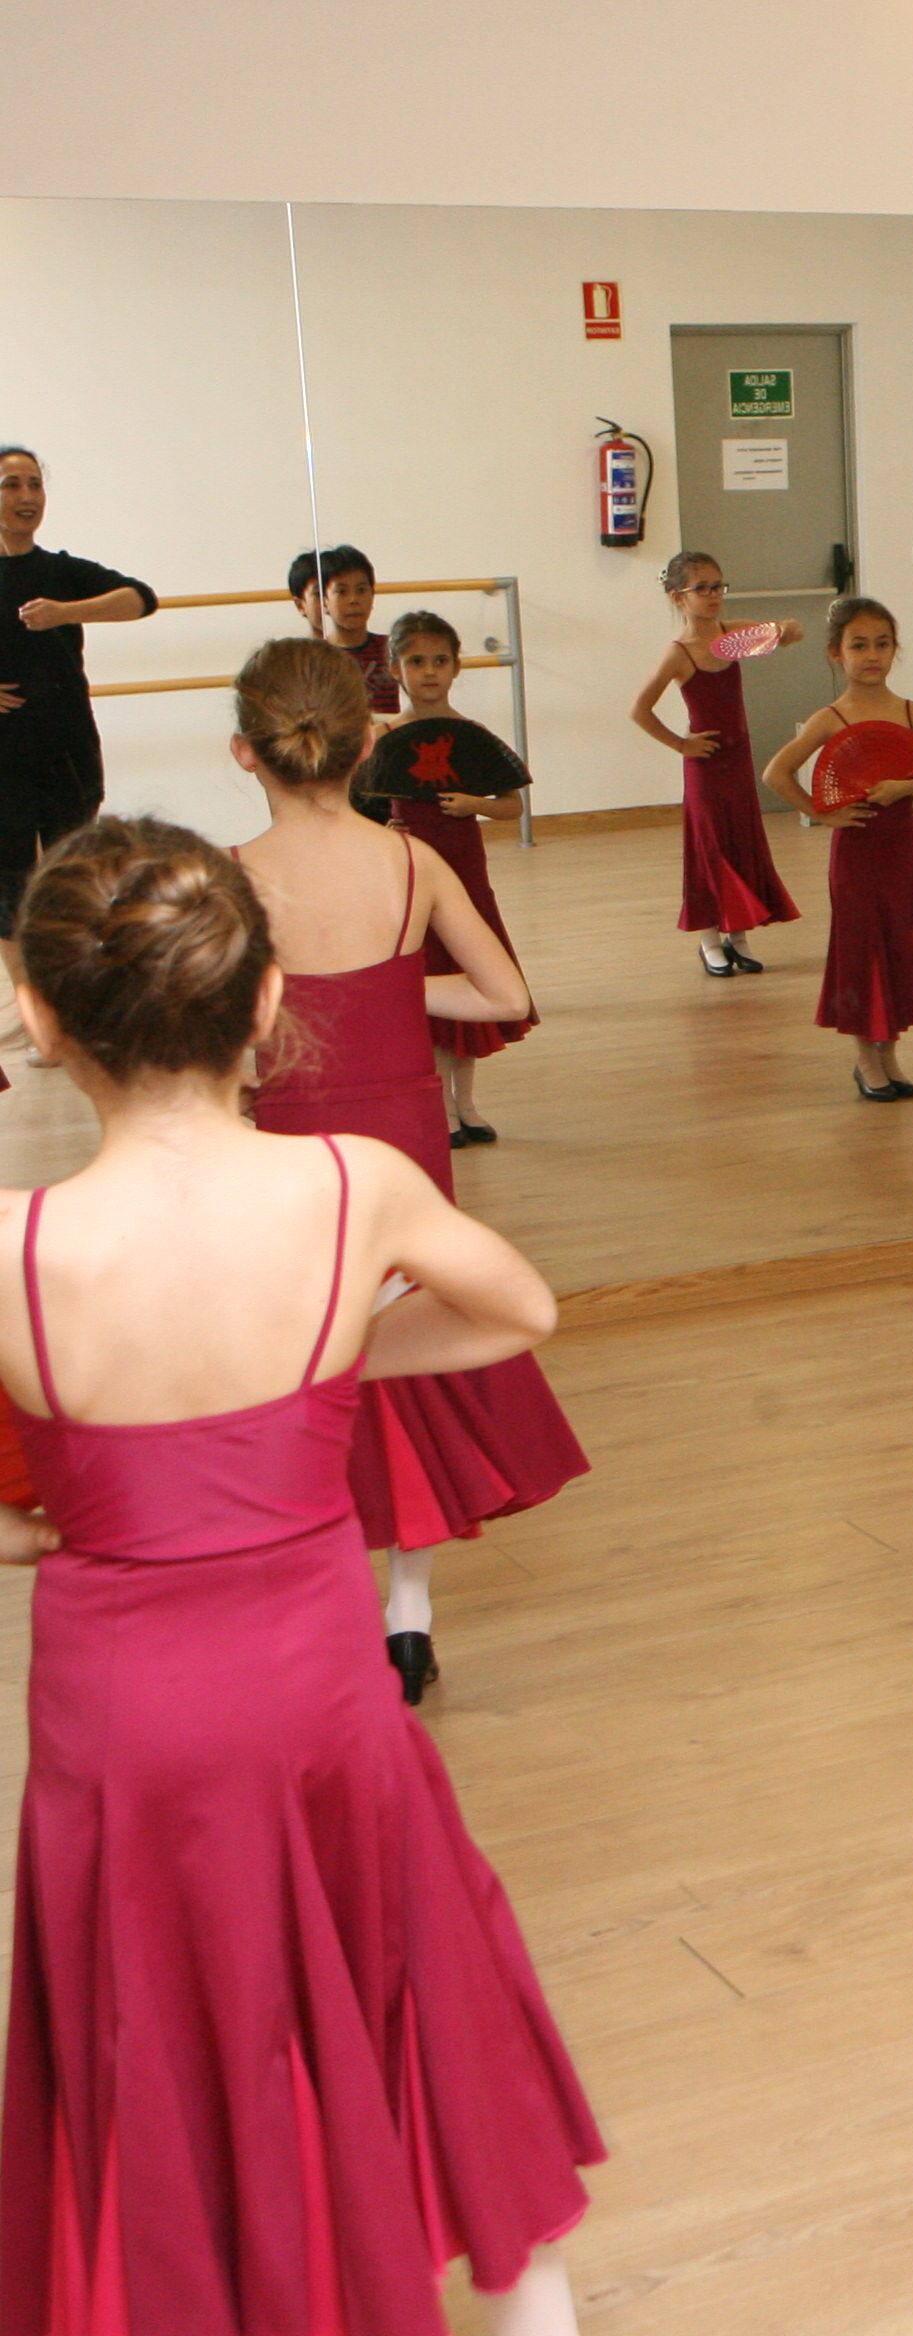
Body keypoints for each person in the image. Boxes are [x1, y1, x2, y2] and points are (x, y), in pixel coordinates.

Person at [0, 813, 603, 2336]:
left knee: (161, 2029)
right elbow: (518, 1308)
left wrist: (69, 1508)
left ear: (44, 1020)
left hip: (121, 1721)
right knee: (418, 1984)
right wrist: (324, 1377)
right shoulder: (348, 1188)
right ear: (268, 1004)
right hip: (315, 1690)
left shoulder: (12, 1244)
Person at [231, 638, 586, 1706]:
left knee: (307, 1357)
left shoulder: (230, 875)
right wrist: (391, 996)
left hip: (290, 1144)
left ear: (244, 752)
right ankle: (409, 1614)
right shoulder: (412, 862)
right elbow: (502, 995)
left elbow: (222, 1035)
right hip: (403, 1138)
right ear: (370, 741)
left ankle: (325, 1598)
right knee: (411, 1347)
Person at [763, 597, 913, 1101]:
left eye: (882, 644)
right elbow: (775, 773)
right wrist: (821, 812)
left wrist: (902, 788)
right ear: (835, 653)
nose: (872, 655)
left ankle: (889, 1048)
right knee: (860, 945)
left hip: (899, 850)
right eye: (859, 645)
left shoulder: (912, 712)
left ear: (895, 650)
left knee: (897, 940)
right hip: (854, 852)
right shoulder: (829, 717)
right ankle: (864, 1056)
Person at [0, 445, 155, 1028]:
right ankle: (36, 1017)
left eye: (34, 484)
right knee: (9, 887)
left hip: (66, 746)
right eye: (12, 484)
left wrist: (68, 612)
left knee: (78, 876)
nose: (26, 497)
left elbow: (141, 598)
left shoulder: (60, 570)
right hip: (3, 756)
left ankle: (80, 1005)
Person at [386, 609, 535, 1146]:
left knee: (474, 978)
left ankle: (467, 1103)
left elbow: (511, 806)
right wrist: (385, 824)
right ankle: (440, 1110)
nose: (429, 671)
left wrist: (474, 802)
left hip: (465, 872)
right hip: (410, 876)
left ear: (456, 668)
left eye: (440, 661)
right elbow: (355, 808)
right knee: (430, 984)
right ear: (396, 669)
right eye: (416, 661)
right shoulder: (384, 738)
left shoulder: (471, 737)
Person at [629, 550, 802, 977]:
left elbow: (792, 632)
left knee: (740, 843)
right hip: (706, 767)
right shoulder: (679, 654)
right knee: (710, 850)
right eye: (701, 588)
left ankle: (738, 938)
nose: (712, 595)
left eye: (718, 586)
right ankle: (709, 942)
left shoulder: (733, 635)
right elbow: (640, 710)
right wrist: (681, 745)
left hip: (739, 761)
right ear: (677, 598)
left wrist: (779, 630)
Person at [291, 542, 399, 715]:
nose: (353, 600)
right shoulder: (315, 656)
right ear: (325, 601)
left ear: (372, 595)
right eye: (342, 592)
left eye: (361, 590)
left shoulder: (392, 648)